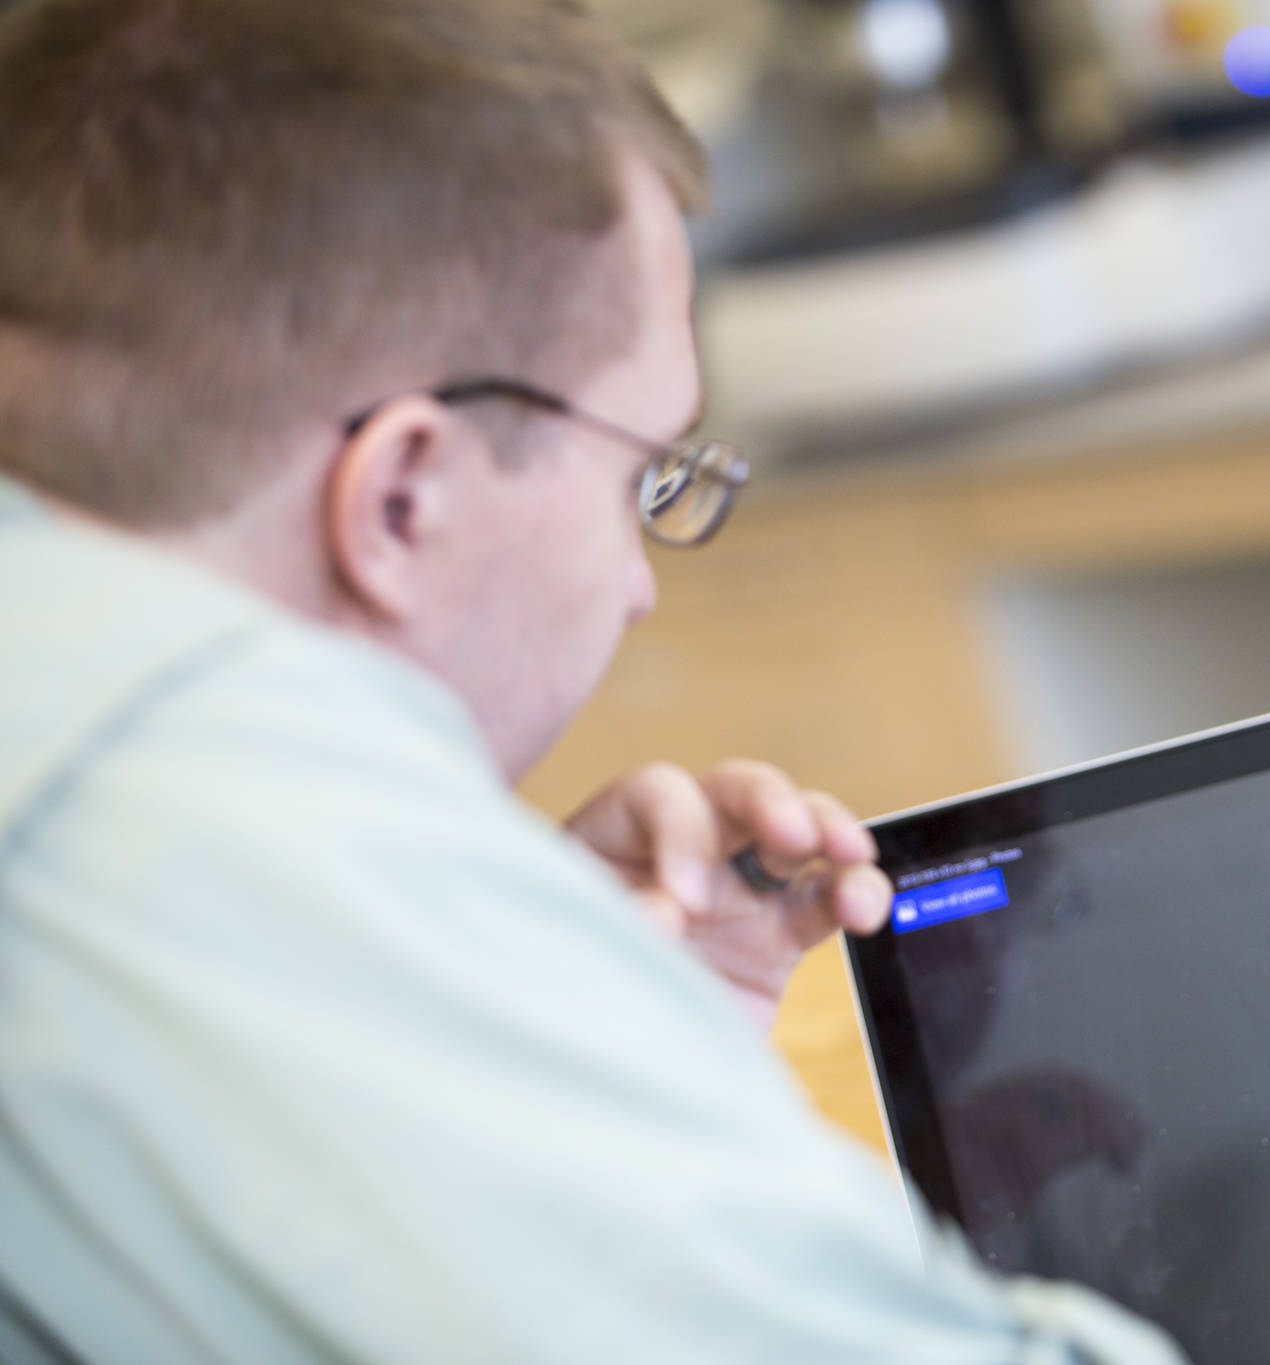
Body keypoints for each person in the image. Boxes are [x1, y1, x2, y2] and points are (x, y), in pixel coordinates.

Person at [0, 1, 1187, 1360]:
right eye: (645, 478)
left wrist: (629, 1085)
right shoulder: (181, 809)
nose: (640, 583)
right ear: (401, 497)